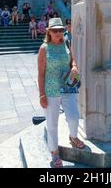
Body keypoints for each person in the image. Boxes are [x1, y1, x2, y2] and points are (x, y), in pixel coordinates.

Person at [38, 18, 84, 168]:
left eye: (61, 30)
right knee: (52, 123)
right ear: (49, 32)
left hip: (68, 86)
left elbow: (73, 60)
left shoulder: (66, 43)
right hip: (51, 89)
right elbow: (40, 74)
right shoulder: (44, 49)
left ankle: (73, 136)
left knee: (74, 117)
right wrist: (42, 95)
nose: (58, 33)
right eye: (55, 30)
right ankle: (54, 152)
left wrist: (75, 67)